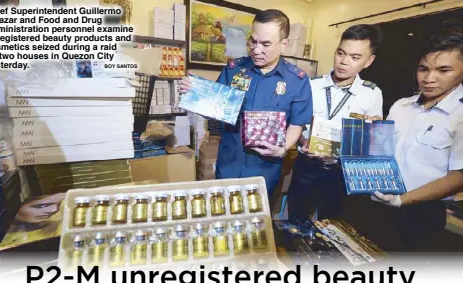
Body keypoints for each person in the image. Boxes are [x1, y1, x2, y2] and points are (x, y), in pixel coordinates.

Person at [179, 9, 313, 197]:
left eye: (266, 44)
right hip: (229, 165)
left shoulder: (297, 81)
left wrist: (283, 149)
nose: (256, 50)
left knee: (257, 224)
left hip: (265, 170)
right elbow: (215, 108)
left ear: (284, 44)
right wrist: (195, 93)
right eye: (253, 41)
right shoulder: (234, 70)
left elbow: (297, 123)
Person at [366, 21, 463, 251]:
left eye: (444, 70)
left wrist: (401, 200)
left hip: (422, 214)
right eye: (423, 68)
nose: (429, 78)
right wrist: (370, 135)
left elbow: (458, 176)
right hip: (378, 203)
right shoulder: (401, 106)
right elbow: (383, 152)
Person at [287, 24, 384, 221]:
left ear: (369, 61)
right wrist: (302, 142)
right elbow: (294, 124)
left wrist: (372, 131)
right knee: (296, 222)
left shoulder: (372, 94)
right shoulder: (311, 86)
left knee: (332, 227)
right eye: (341, 53)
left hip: (341, 173)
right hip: (307, 167)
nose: (343, 62)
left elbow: (372, 141)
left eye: (355, 58)